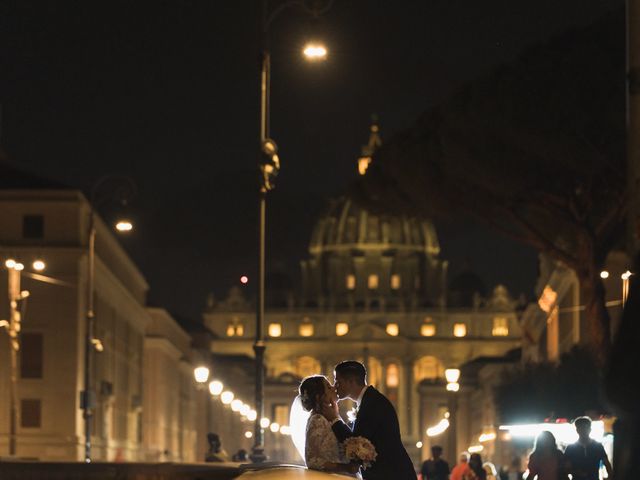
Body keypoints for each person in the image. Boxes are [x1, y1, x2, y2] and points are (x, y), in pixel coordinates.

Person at [321, 360, 417, 480]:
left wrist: (334, 418)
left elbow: (356, 444)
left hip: (391, 474)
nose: (335, 386)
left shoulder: (373, 404)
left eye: (338, 382)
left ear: (350, 381)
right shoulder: (370, 400)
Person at [297, 375, 360, 476]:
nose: (334, 388)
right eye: (329, 387)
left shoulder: (329, 417)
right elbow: (313, 461)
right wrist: (346, 468)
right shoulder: (317, 420)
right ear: (319, 397)